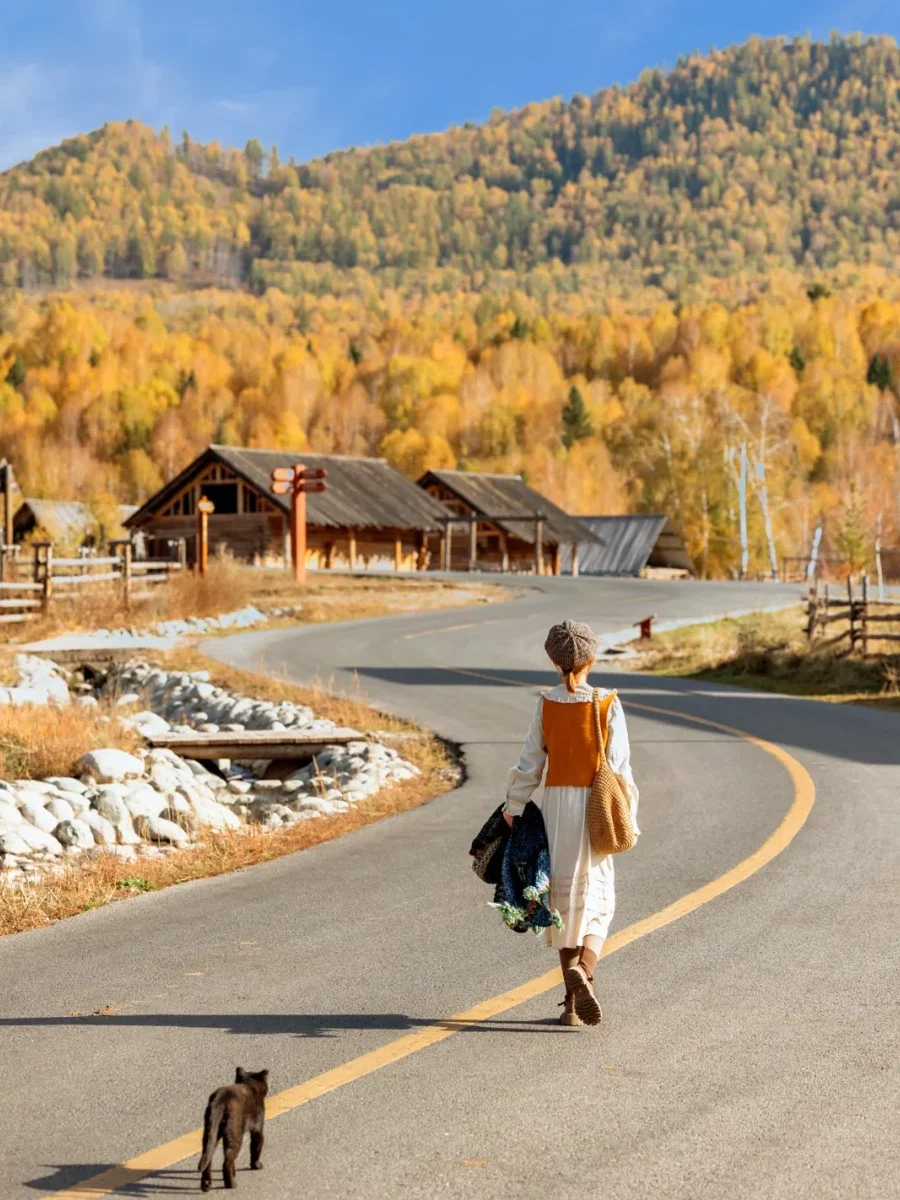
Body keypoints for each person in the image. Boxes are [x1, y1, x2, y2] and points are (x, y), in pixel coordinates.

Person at [503, 620, 639, 1027]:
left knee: (562, 904)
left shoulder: (545, 704)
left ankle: (570, 1006)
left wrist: (514, 804)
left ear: (553, 661)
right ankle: (587, 970)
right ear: (592, 659)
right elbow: (619, 767)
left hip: (558, 808)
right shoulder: (606, 703)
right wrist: (628, 812)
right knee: (600, 902)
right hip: (595, 807)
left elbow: (530, 762)